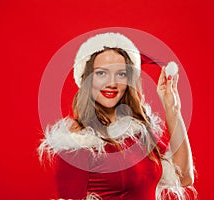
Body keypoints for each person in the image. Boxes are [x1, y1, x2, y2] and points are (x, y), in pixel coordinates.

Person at [39, 32, 196, 200]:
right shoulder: (77, 144)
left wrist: (172, 108)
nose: (112, 83)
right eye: (101, 73)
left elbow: (184, 177)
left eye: (121, 74)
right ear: (87, 79)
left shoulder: (137, 131)